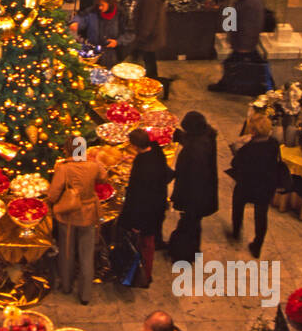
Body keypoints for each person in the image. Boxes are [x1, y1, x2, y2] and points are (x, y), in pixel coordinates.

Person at [45, 136, 109, 304]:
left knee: (66, 252)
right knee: (87, 255)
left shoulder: (64, 168)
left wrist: (48, 203)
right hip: (89, 214)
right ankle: (85, 295)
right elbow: (103, 177)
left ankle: (66, 286)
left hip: (68, 215)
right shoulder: (93, 166)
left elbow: (53, 194)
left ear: (67, 150)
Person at [117, 128, 174, 287]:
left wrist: (135, 224)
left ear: (135, 145)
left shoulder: (143, 167)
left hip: (145, 215)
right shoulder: (156, 153)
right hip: (156, 208)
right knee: (148, 242)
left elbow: (140, 197)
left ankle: (143, 276)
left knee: (145, 245)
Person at [167, 111, 218, 263]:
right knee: (193, 224)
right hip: (203, 194)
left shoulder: (196, 151)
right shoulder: (206, 136)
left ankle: (183, 255)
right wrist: (178, 135)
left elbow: (190, 176)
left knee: (188, 225)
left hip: (194, 196)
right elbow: (191, 140)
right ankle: (190, 251)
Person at [229, 112, 281, 257]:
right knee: (261, 215)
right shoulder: (274, 143)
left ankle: (236, 231)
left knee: (238, 205)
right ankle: (257, 245)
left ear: (253, 130)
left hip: (247, 184)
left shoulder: (248, 148)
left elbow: (235, 163)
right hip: (266, 186)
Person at [208, 0, 267, 93]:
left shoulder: (252, 2)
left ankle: (227, 85)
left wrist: (243, 44)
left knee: (232, 64)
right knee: (235, 64)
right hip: (243, 41)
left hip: (244, 42)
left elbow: (249, 25)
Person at [70, 0, 131, 70]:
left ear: (109, 3)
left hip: (110, 56)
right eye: (98, 5)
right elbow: (82, 17)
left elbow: (129, 33)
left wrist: (117, 42)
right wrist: (76, 22)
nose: (100, 8)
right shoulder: (93, 11)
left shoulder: (121, 14)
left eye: (102, 5)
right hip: (93, 53)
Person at [129, 0, 167, 81]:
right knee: (149, 59)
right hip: (150, 35)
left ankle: (152, 83)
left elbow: (148, 20)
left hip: (149, 37)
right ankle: (152, 80)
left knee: (148, 60)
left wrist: (141, 37)